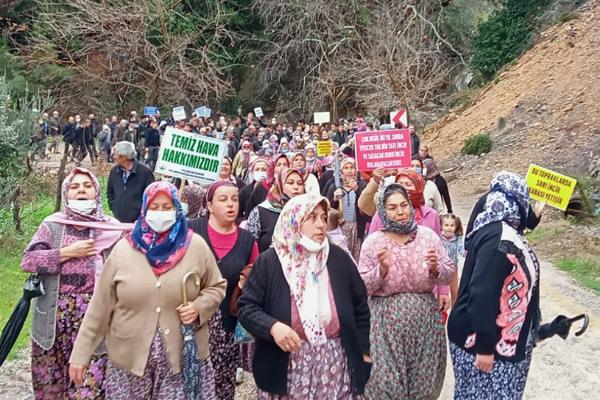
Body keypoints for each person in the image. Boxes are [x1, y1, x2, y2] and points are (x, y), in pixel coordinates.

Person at [69, 181, 227, 399]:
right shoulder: (124, 250)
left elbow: (216, 286)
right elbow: (100, 307)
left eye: (167, 207)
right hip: (129, 366)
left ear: (177, 209)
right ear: (144, 210)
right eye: (154, 207)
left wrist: (199, 307)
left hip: (181, 363)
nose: (160, 213)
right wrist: (80, 354)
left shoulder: (195, 246)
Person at [238, 194, 372, 399]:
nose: (320, 225)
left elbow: (360, 307)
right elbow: (247, 307)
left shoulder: (338, 258)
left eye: (323, 218)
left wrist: (363, 350)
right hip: (287, 365)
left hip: (335, 364)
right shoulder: (271, 262)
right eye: (312, 218)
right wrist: (273, 327)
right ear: (294, 220)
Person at [21, 167, 131, 398]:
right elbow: (28, 261)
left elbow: (129, 271)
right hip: (52, 328)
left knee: (89, 392)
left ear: (97, 192)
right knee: (51, 391)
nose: (81, 190)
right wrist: (65, 253)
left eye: (87, 186)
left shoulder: (113, 229)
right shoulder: (52, 225)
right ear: (66, 194)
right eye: (75, 187)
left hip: (95, 328)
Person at [447, 172, 541, 399]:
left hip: (499, 343)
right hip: (485, 346)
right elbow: (482, 294)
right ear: (517, 202)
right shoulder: (500, 239)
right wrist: (485, 347)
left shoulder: (499, 231)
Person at [358, 184, 455, 399]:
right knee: (386, 385)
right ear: (383, 211)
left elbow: (448, 272)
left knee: (424, 386)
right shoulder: (374, 242)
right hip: (384, 327)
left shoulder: (428, 237)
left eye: (404, 205)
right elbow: (362, 285)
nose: (400, 211)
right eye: (392, 207)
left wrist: (435, 269)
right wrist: (381, 270)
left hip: (425, 325)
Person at [188, 181, 259, 400]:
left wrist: (247, 283)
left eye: (234, 199)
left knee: (222, 387)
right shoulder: (191, 231)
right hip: (191, 324)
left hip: (227, 327)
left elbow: (255, 278)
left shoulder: (247, 240)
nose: (231, 204)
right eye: (223, 199)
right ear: (209, 205)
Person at [246, 167, 305, 252]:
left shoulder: (307, 213)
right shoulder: (261, 211)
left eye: (300, 183)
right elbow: (248, 246)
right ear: (280, 185)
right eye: (290, 183)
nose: (296, 187)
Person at [326, 157, 369, 260]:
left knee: (356, 257)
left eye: (352, 167)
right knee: (341, 258)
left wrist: (357, 190)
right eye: (346, 168)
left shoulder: (362, 186)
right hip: (340, 228)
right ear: (341, 171)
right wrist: (334, 200)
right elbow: (327, 209)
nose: (349, 171)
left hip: (357, 227)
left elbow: (367, 207)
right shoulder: (334, 187)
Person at [107, 141, 155, 223]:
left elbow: (152, 196)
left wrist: (142, 216)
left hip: (138, 222)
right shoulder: (114, 171)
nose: (113, 157)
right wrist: (114, 206)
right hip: (118, 221)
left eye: (115, 154)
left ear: (124, 157)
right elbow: (110, 191)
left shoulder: (145, 172)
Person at [440, 213, 464, 306]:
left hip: (453, 267)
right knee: (442, 291)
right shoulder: (438, 237)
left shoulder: (458, 238)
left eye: (452, 225)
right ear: (441, 226)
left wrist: (465, 252)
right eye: (446, 225)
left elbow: (461, 249)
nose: (449, 228)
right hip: (441, 268)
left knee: (454, 290)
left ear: (456, 226)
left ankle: (454, 310)